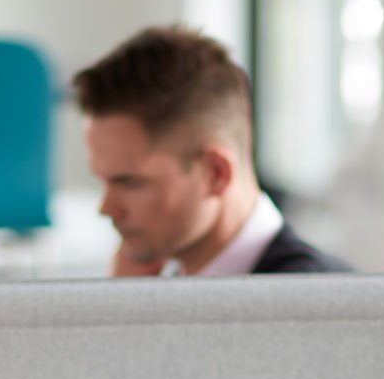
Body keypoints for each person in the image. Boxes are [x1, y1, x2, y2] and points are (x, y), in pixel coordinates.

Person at [73, 26, 352, 277]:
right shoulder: (154, 288)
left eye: (129, 182)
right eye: (103, 180)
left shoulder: (319, 308)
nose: (106, 208)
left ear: (215, 173)